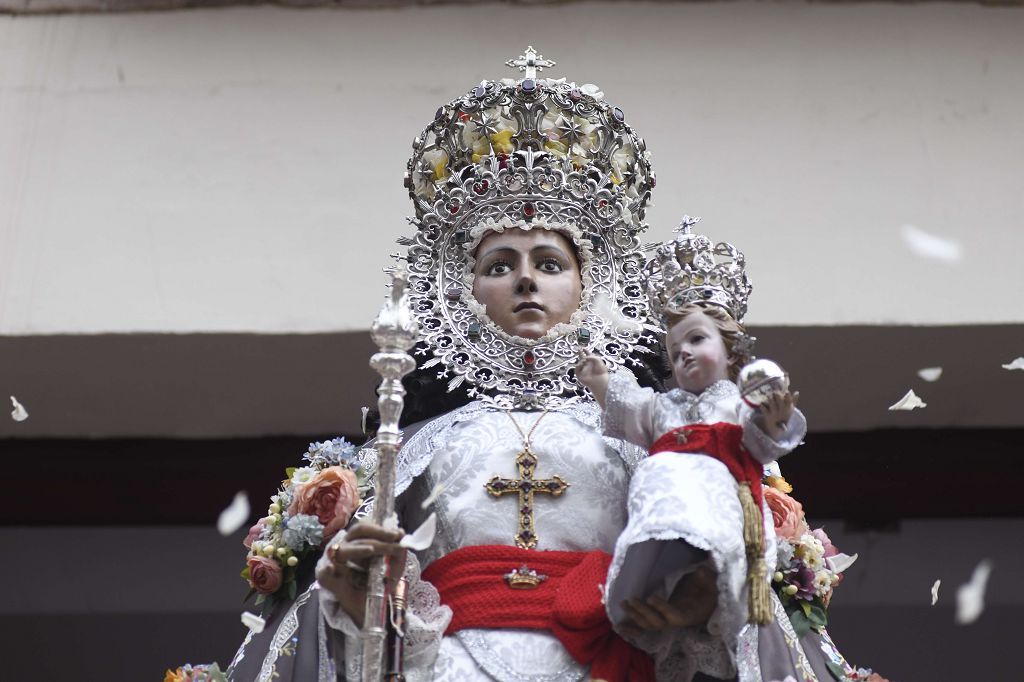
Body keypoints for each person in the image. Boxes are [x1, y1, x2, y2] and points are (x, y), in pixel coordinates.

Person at [223, 50, 874, 682]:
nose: (526, 280)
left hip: (605, 658)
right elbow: (376, 619)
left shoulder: (639, 439)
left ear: (586, 289)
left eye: (550, 263)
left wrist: (701, 598)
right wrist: (360, 592)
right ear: (466, 292)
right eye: (500, 264)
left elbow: (698, 556)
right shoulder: (425, 444)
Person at [575, 225, 806, 680]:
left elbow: (761, 444)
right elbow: (631, 410)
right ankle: (661, 585)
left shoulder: (737, 404)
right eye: (673, 347)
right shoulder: (664, 408)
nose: (683, 352)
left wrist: (774, 419)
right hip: (664, 509)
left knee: (717, 559)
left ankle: (706, 588)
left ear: (731, 348)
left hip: (721, 498)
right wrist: (600, 381)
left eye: (697, 339)